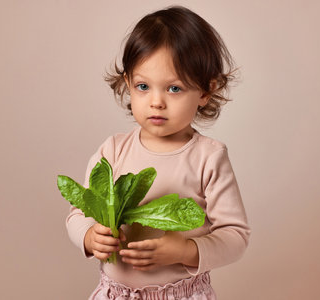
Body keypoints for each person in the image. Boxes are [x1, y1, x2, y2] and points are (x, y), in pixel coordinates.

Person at [66, 6, 250, 300]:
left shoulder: (208, 157)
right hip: (117, 293)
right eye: (143, 86)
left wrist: (187, 251)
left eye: (174, 89)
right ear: (127, 84)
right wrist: (89, 236)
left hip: (182, 294)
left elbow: (236, 236)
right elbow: (79, 213)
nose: (156, 102)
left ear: (205, 91)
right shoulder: (113, 150)